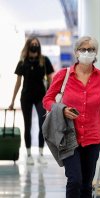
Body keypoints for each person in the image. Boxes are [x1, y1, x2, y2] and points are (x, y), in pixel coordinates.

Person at [42, 36, 100, 198]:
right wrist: (61, 110)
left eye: (91, 49)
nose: (87, 52)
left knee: (86, 185)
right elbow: (46, 100)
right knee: (74, 180)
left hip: (93, 138)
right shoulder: (64, 75)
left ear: (95, 53)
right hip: (68, 136)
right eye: (83, 49)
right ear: (76, 52)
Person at [9, 37, 54, 165]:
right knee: (27, 125)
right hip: (26, 97)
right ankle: (28, 154)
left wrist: (50, 95)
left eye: (36, 44)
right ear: (28, 46)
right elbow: (18, 82)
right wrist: (12, 100)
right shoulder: (23, 62)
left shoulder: (44, 60)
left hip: (41, 97)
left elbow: (50, 78)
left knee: (42, 124)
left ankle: (40, 153)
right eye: (32, 44)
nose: (34, 46)